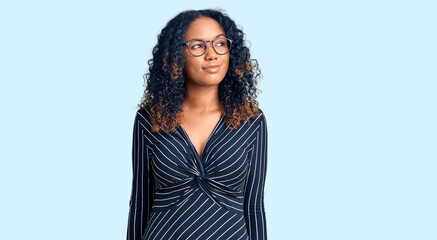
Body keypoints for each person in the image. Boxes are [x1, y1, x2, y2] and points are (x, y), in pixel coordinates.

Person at [126, 8, 268, 240]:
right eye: (198, 45)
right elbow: (140, 204)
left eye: (220, 44)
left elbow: (253, 207)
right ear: (175, 56)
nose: (212, 54)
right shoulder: (150, 119)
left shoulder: (251, 121)